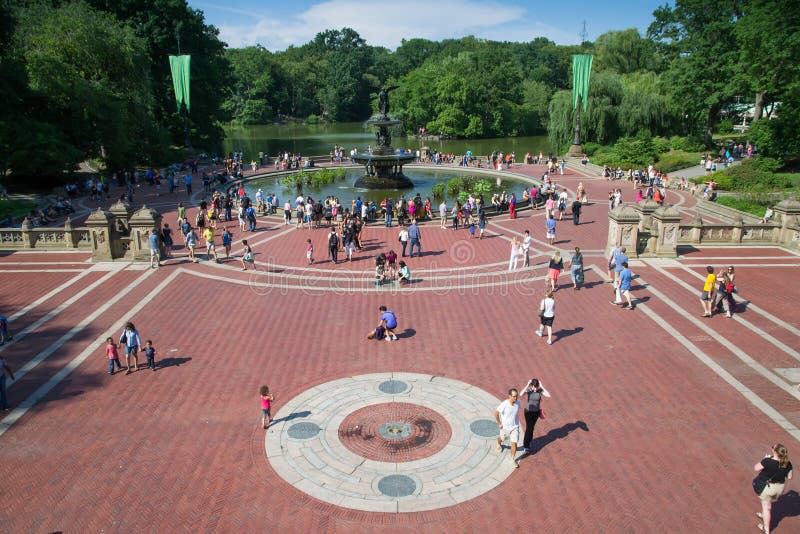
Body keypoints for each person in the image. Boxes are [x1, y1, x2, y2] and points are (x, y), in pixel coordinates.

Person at [754, 444, 793, 534]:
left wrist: (764, 459)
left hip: (768, 488)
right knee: (768, 504)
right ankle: (764, 514)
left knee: (766, 507)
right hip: (779, 488)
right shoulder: (788, 463)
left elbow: (756, 468)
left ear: (775, 452)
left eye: (773, 447)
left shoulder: (768, 461)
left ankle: (766, 530)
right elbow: (790, 477)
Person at [521, 379, 551, 453]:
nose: (535, 388)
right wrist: (527, 385)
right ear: (531, 385)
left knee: (532, 427)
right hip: (528, 412)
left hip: (536, 412)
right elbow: (521, 394)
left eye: (536, 387)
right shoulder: (529, 390)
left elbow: (548, 395)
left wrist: (542, 386)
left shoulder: (540, 390)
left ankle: (530, 439)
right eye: (533, 387)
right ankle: (526, 445)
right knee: (529, 428)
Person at [494, 388, 522, 468]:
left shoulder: (518, 403)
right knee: (502, 439)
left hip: (514, 427)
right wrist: (499, 423)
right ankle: (498, 442)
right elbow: (496, 413)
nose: (515, 398)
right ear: (509, 396)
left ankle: (512, 459)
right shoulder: (504, 404)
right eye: (514, 396)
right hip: (505, 428)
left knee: (514, 442)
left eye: (516, 396)